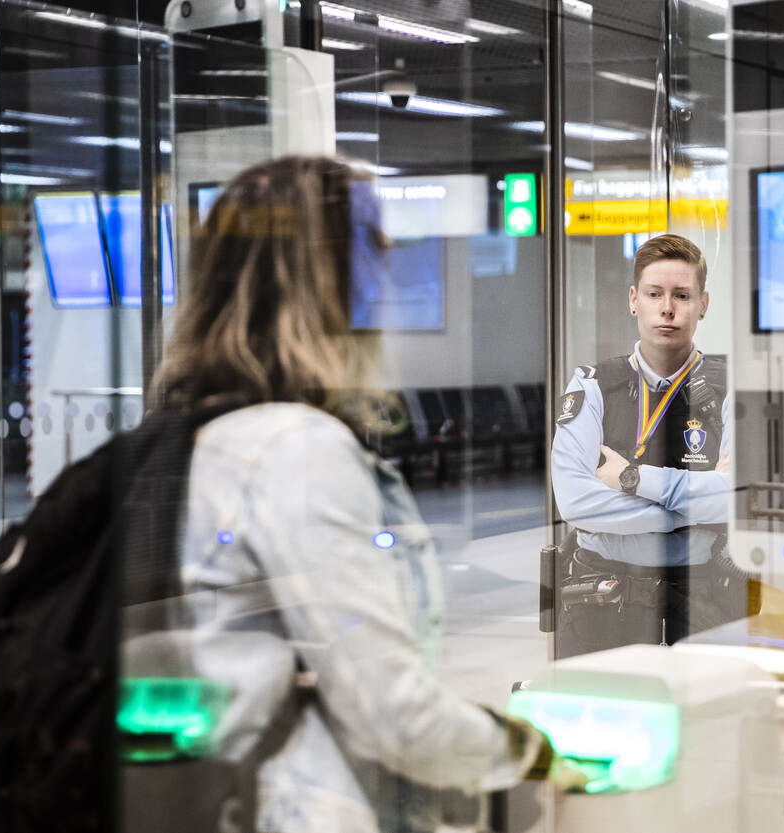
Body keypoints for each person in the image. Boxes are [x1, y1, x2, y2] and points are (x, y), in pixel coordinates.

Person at [147, 156, 582, 833]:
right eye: (375, 248)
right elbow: (394, 713)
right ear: (327, 279)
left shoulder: (199, 435)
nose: (389, 270)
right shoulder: (295, 451)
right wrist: (530, 752)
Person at [550, 233, 751, 659]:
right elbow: (574, 502)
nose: (667, 308)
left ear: (703, 304)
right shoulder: (592, 385)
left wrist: (633, 478)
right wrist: (693, 510)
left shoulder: (734, 387)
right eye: (654, 293)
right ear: (633, 300)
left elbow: (738, 500)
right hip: (601, 602)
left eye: (682, 295)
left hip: (702, 597)